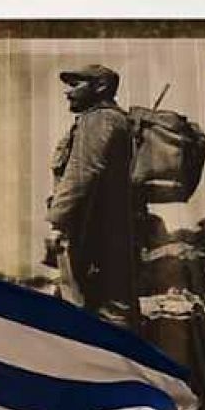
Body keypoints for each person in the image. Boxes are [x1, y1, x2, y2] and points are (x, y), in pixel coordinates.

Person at [46, 63, 138, 326]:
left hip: (92, 232)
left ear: (100, 87)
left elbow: (82, 172)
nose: (69, 92)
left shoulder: (99, 119)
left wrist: (57, 221)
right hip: (104, 230)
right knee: (107, 307)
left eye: (76, 84)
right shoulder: (112, 119)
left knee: (94, 310)